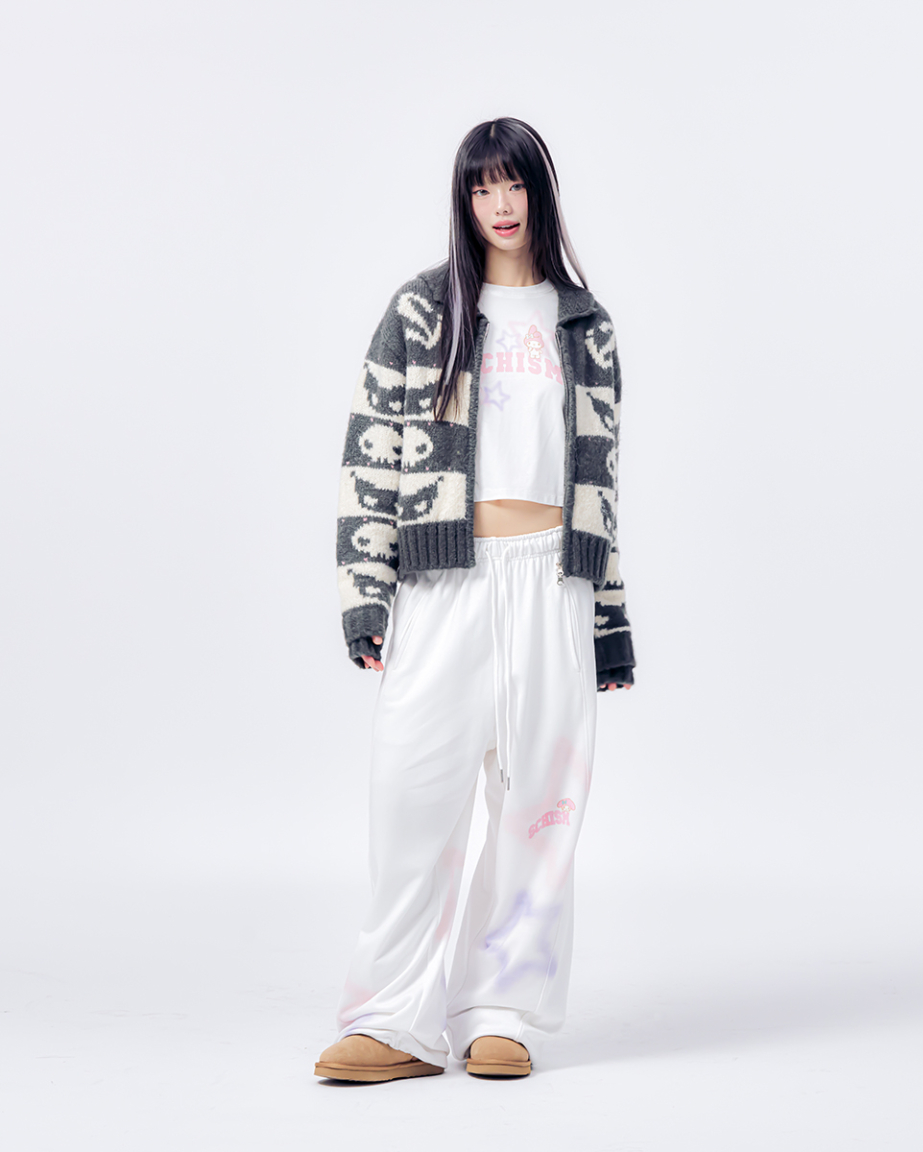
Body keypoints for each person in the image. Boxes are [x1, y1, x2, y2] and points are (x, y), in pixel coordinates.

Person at [314, 117, 635, 1083]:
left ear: (541, 192)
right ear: (464, 201)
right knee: (412, 802)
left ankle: (502, 1009)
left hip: (553, 583)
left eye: (515, 184)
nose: (500, 204)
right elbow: (370, 453)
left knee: (539, 810)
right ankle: (394, 1020)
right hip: (443, 581)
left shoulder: (585, 326)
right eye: (481, 188)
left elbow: (604, 487)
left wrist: (610, 622)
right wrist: (366, 594)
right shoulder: (424, 312)